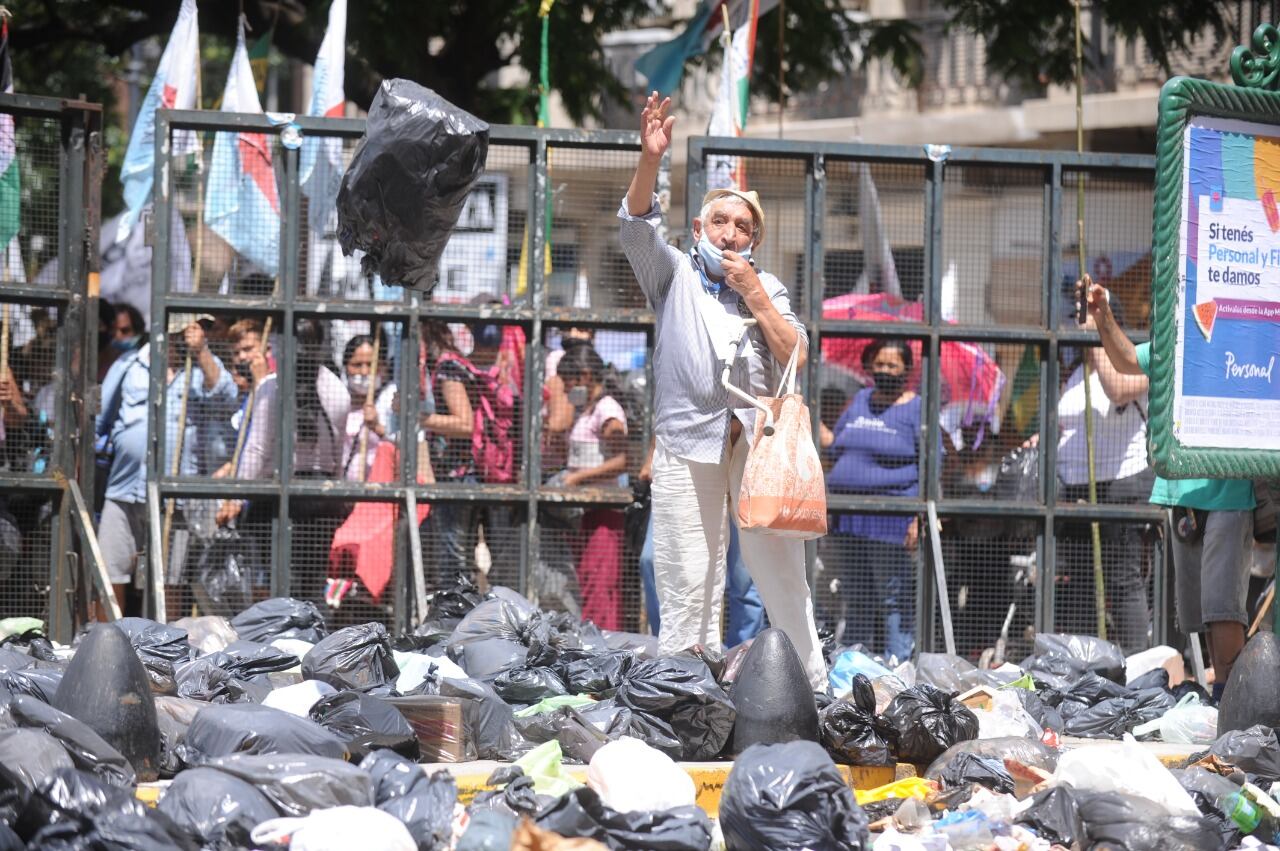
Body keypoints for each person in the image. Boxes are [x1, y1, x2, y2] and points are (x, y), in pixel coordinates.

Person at [618, 93, 825, 689]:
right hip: (687, 443)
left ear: (753, 239)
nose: (731, 235)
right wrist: (651, 160)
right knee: (688, 572)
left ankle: (811, 685)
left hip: (758, 450)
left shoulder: (770, 288)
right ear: (698, 229)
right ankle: (689, 690)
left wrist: (754, 293)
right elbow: (635, 228)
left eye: (743, 227)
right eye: (720, 223)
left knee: (778, 572)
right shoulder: (674, 274)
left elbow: (796, 354)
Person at [1084, 275, 1255, 698]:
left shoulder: (1241, 340)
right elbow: (1124, 361)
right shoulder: (1174, 348)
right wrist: (1102, 316)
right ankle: (1216, 700)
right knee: (1196, 613)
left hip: (1228, 492)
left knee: (1222, 608)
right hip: (1182, 495)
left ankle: (1231, 702)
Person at [96, 313, 236, 611]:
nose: (197, 333)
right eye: (192, 328)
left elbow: (226, 396)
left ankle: (164, 646)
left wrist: (201, 352)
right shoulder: (131, 365)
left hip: (174, 496)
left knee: (168, 579)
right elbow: (101, 419)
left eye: (201, 330)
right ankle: (110, 643)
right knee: (112, 571)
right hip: (125, 487)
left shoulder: (198, 370)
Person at [1048, 298, 1154, 653]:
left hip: (1120, 483)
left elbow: (1117, 390)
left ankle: (1138, 662)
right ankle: (1082, 661)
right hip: (1077, 487)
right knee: (1078, 582)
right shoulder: (1079, 373)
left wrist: (1097, 340)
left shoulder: (1136, 365)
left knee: (1122, 579)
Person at [823, 338, 921, 662]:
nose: (884, 371)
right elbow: (836, 445)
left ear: (906, 369)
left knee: (892, 596)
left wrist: (918, 516)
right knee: (856, 594)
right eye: (879, 364)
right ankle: (854, 667)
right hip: (847, 516)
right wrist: (805, 414)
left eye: (892, 365)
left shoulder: (916, 408)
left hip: (890, 516)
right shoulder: (861, 400)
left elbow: (935, 463)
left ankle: (898, 666)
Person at [554, 344, 629, 629]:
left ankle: (602, 646)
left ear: (585, 376)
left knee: (600, 584)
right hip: (586, 511)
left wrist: (577, 478)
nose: (565, 389)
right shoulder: (588, 410)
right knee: (587, 580)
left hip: (605, 512)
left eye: (568, 382)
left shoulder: (607, 410)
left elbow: (623, 459)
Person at [339, 333, 397, 481]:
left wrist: (377, 427)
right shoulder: (338, 398)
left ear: (383, 367)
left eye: (371, 365)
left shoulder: (392, 398)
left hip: (380, 489)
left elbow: (408, 445)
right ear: (346, 367)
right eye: (357, 365)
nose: (364, 372)